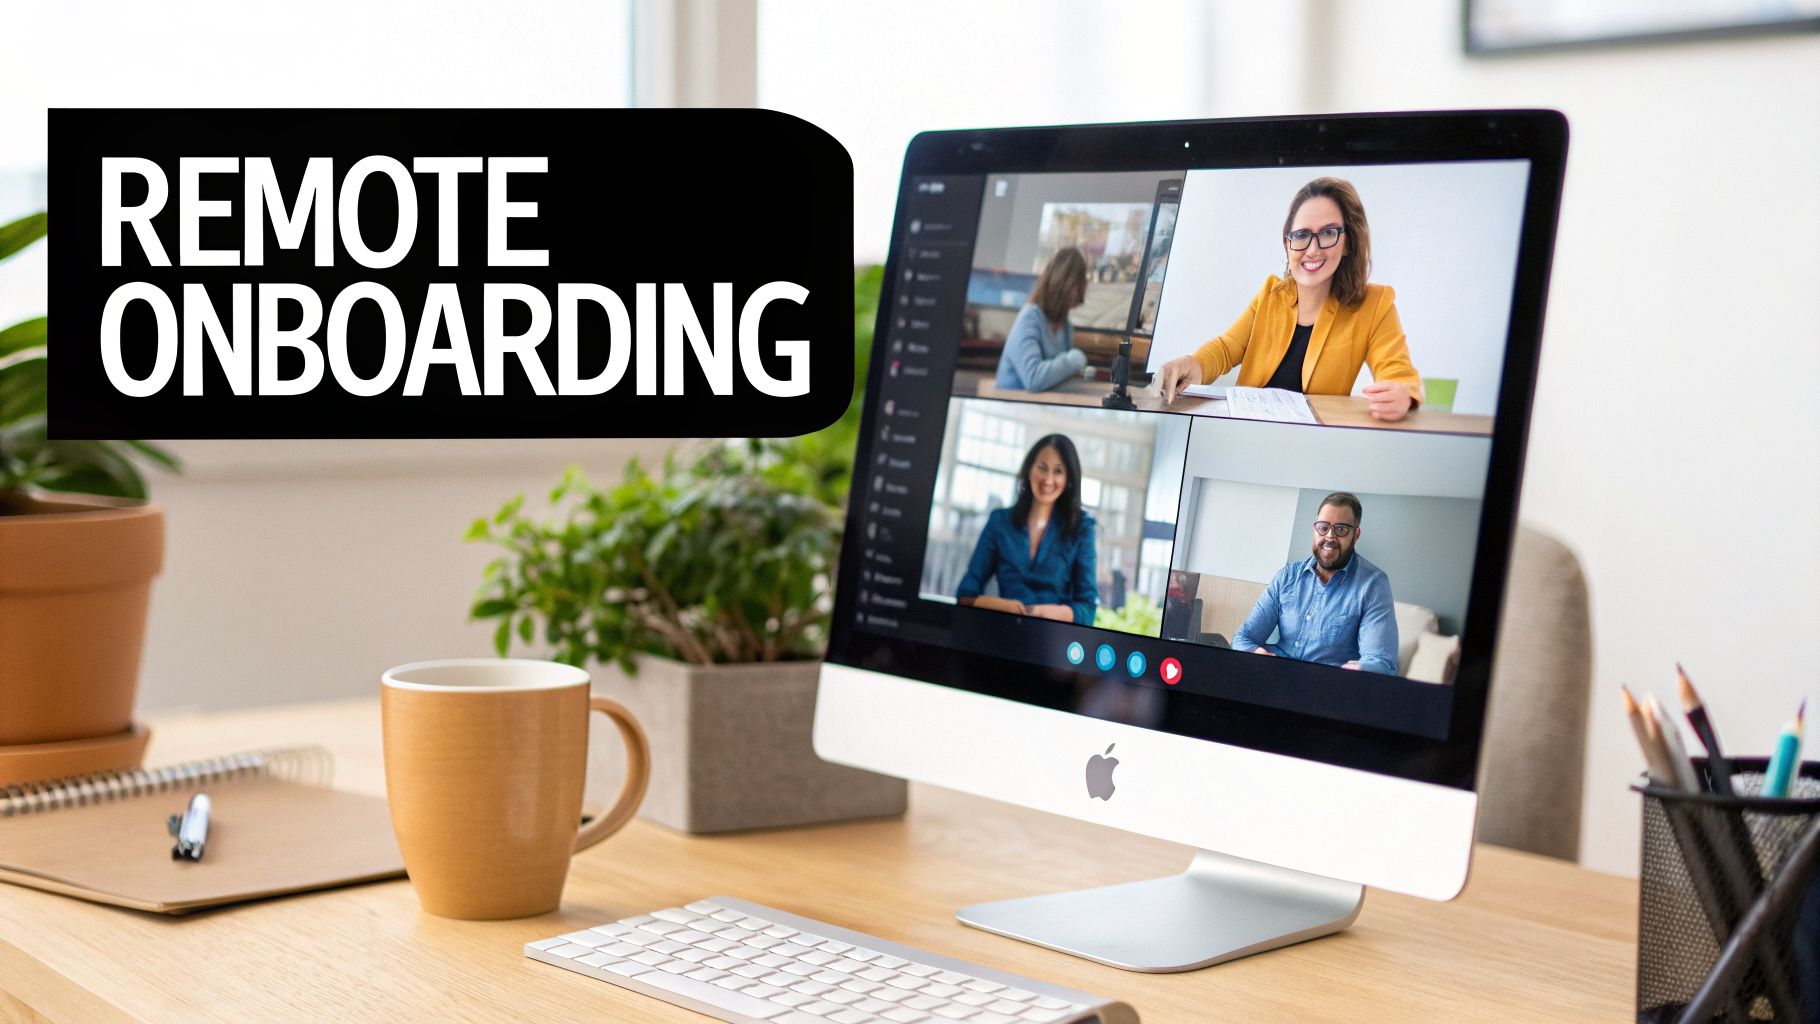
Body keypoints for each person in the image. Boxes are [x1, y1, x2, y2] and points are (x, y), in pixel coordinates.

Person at [1156, 177, 1423, 421]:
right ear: (1288, 243)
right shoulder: (1272, 293)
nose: (1313, 249)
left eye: (1328, 233)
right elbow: (1227, 348)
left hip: (1312, 445)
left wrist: (1403, 395)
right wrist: (1193, 363)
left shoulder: (1375, 304)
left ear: (1348, 243)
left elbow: (1397, 374)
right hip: (1247, 431)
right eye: (1302, 235)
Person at [1233, 492, 1398, 674]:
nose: (1329, 537)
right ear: (1314, 529)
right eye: (1323, 527)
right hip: (1273, 676)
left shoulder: (1373, 584)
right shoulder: (1287, 577)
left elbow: (1382, 663)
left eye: (1341, 529)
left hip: (1323, 690)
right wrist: (1257, 654)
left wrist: (1353, 671)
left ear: (1355, 535)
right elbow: (1243, 638)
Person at [957, 434, 1097, 624]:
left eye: (1058, 471)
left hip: (1053, 638)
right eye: (1042, 467)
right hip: (1001, 629)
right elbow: (966, 594)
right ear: (1028, 469)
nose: (1048, 480)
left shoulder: (1082, 527)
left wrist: (1040, 613)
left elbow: (1087, 610)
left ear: (1069, 479)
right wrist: (1005, 607)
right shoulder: (999, 521)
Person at [995, 248, 1090, 392]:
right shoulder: (1030, 318)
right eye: (1080, 282)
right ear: (1064, 284)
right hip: (1010, 406)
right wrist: (1073, 360)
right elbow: (1033, 379)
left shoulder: (1065, 327)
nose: (1084, 288)